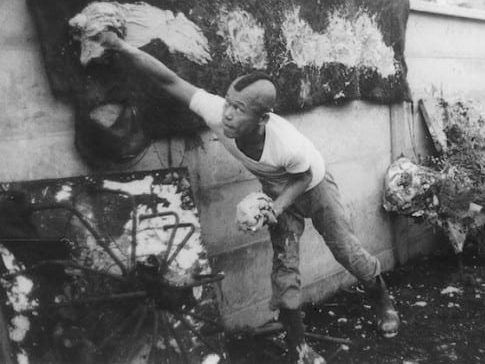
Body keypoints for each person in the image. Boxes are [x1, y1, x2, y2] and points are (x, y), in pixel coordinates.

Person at [92, 31, 400, 363]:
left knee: (346, 252)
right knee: (284, 265)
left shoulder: (287, 144)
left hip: (313, 186)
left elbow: (304, 176)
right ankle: (298, 346)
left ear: (262, 119)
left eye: (239, 109)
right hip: (275, 190)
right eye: (228, 102)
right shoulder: (217, 114)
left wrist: (277, 207)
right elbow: (169, 81)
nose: (227, 114)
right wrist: (122, 47)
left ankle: (382, 299)